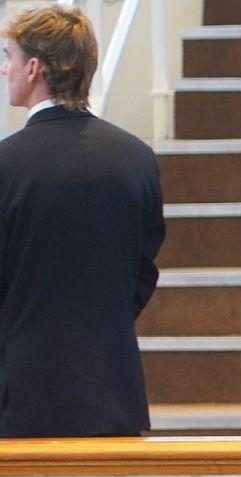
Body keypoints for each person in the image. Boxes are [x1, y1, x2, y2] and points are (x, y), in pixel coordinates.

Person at [0, 6, 164, 438]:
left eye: (8, 56)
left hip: (21, 396)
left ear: (33, 68)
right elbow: (143, 270)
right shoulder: (137, 158)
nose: (4, 69)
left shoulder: (6, 164)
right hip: (115, 392)